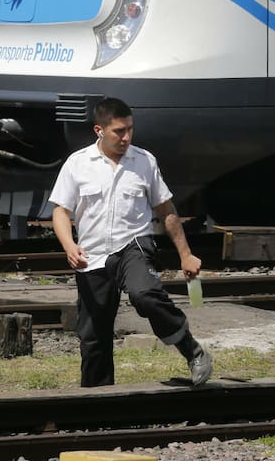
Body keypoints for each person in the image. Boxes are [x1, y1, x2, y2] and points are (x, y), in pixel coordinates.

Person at [49, 96, 213, 388]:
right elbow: (61, 211)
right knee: (93, 335)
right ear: (99, 130)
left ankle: (192, 349)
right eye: (119, 131)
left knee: (145, 295)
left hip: (133, 247)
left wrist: (186, 255)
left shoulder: (144, 161)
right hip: (92, 256)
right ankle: (98, 403)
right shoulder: (78, 164)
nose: (126, 137)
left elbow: (167, 211)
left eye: (129, 129)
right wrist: (69, 245)